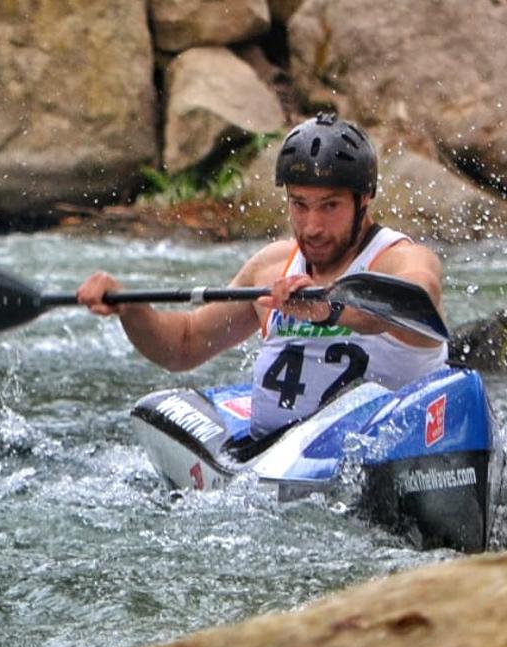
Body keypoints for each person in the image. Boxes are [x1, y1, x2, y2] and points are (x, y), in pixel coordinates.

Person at [77, 113, 448, 440]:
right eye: (299, 205)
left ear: (364, 198)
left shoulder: (399, 259)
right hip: (275, 463)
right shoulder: (272, 267)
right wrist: (128, 308)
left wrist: (329, 310)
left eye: (330, 206)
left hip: (386, 451)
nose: (312, 226)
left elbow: (418, 298)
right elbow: (184, 345)